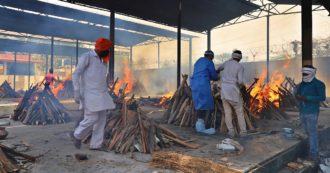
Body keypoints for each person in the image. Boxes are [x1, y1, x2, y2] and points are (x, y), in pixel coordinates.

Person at [72, 38, 116, 150]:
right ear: (101, 49)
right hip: (89, 94)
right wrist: (76, 91)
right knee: (91, 118)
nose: (108, 52)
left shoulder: (103, 60)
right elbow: (76, 74)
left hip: (101, 94)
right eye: (107, 49)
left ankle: (96, 145)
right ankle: (77, 135)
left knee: (101, 120)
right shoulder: (87, 57)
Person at [295, 65, 326, 162]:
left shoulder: (319, 84)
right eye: (303, 73)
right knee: (307, 132)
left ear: (312, 73)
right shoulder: (302, 84)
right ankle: (310, 149)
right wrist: (297, 96)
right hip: (302, 111)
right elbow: (298, 94)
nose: (304, 75)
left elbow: (322, 97)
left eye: (306, 74)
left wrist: (307, 98)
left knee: (312, 133)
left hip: (312, 112)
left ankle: (313, 155)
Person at [217, 50, 247, 138]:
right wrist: (242, 86)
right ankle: (243, 132)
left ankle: (231, 132)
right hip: (233, 91)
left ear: (232, 56)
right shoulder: (240, 66)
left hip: (224, 91)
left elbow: (218, 69)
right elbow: (240, 81)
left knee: (227, 112)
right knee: (239, 112)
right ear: (240, 58)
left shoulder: (226, 63)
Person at [190, 50, 218, 135]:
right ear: (211, 57)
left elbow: (201, 72)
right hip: (202, 84)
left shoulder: (198, 61)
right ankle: (201, 127)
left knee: (199, 103)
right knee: (205, 104)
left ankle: (199, 124)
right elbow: (213, 76)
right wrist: (217, 75)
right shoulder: (209, 62)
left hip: (194, 83)